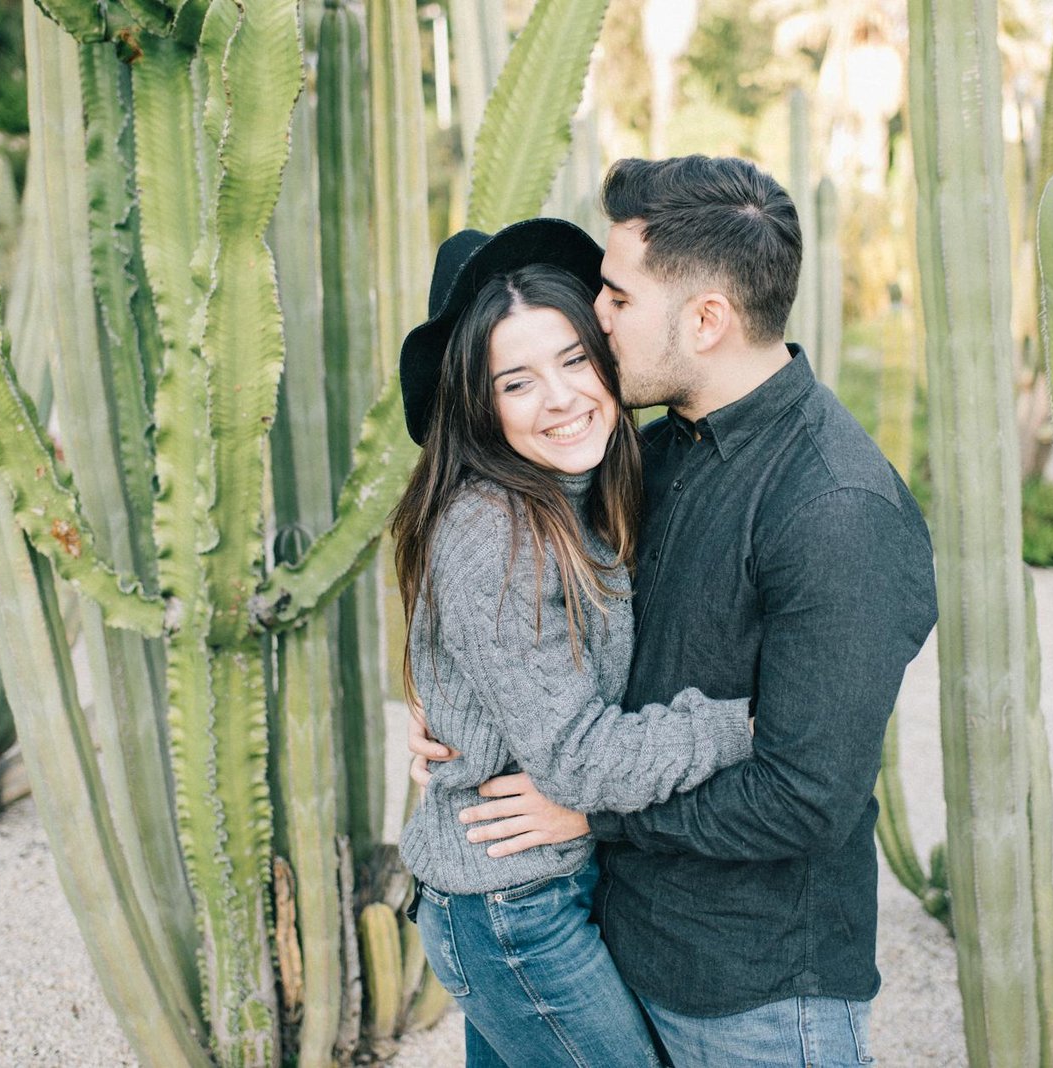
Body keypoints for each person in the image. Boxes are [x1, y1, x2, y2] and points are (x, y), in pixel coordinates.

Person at [411, 156, 939, 1067]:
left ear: (705, 319)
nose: (597, 315)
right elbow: (507, 593)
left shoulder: (835, 507)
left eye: (614, 299)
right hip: (612, 933)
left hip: (755, 991)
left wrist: (587, 815)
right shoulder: (643, 457)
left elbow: (805, 797)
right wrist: (456, 707)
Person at [391, 217, 757, 1068]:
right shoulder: (496, 527)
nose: (559, 398)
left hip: (537, 887)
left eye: (572, 360)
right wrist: (742, 725)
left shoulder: (579, 492)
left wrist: (447, 712)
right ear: (479, 408)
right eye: (516, 382)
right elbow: (579, 763)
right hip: (510, 908)